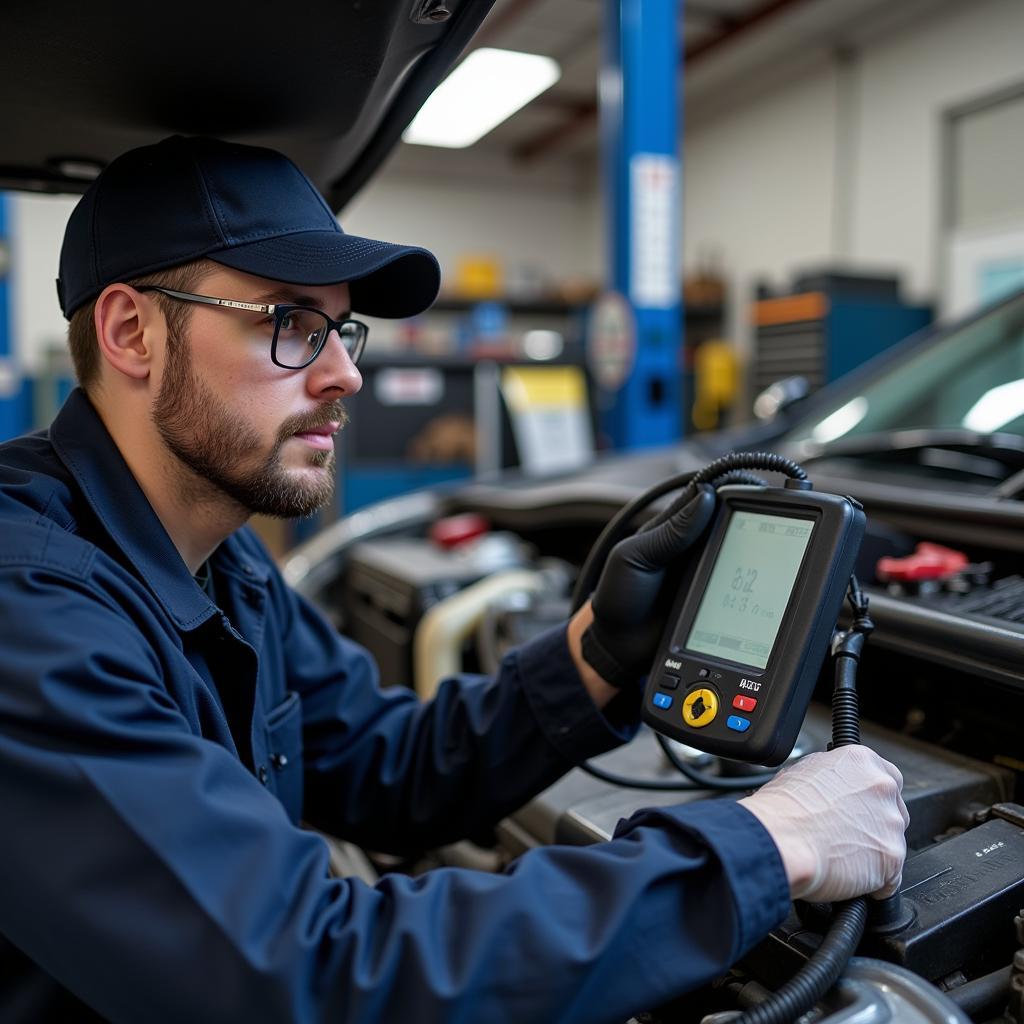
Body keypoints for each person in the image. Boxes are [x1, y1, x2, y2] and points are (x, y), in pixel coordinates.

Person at [0, 135, 908, 1024]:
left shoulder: (216, 549)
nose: (345, 371)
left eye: (341, 328)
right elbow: (305, 971)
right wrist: (764, 845)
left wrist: (596, 653)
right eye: (290, 324)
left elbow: (380, 765)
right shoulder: (27, 607)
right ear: (131, 332)